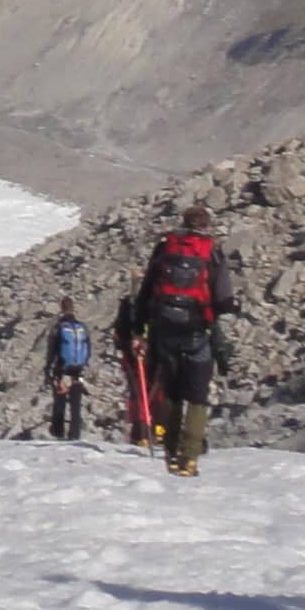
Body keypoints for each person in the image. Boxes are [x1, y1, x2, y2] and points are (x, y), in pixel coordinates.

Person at [118, 201, 234, 476]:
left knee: (169, 392)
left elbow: (146, 291)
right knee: (197, 396)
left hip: (163, 332)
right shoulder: (211, 251)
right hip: (196, 332)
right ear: (206, 225)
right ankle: (189, 458)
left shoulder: (165, 247)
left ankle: (169, 453)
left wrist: (139, 329)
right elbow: (224, 299)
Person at [45, 295, 93, 442]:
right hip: (78, 369)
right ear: (73, 308)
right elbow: (89, 349)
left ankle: (58, 432)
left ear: (61, 308)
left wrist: (49, 368)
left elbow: (52, 349)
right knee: (76, 402)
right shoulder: (82, 327)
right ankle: (75, 434)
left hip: (62, 369)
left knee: (60, 399)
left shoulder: (59, 327)